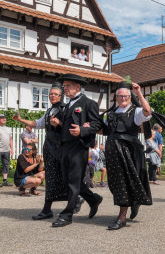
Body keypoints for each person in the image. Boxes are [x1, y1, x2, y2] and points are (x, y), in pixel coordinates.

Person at [15, 82, 85, 220]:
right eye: (51, 94)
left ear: (61, 96)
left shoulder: (66, 109)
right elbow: (37, 123)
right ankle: (62, 204)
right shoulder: (49, 111)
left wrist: (58, 123)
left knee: (62, 176)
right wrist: (21, 119)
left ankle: (73, 199)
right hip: (49, 147)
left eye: (56, 94)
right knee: (53, 177)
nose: (53, 96)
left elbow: (72, 127)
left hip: (60, 148)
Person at [50, 74, 103, 228]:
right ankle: (93, 199)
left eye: (68, 85)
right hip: (65, 146)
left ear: (77, 87)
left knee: (73, 181)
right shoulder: (67, 105)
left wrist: (82, 130)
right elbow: (67, 127)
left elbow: (96, 125)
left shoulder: (88, 103)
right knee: (69, 180)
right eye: (64, 85)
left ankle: (67, 214)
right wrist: (58, 123)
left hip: (79, 147)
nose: (64, 88)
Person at [101, 81, 152, 230]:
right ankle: (133, 203)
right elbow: (104, 131)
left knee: (126, 183)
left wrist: (139, 94)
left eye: (126, 96)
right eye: (120, 96)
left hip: (130, 153)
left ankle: (122, 217)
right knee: (117, 184)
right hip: (113, 154)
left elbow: (148, 112)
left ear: (130, 97)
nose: (123, 99)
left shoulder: (135, 112)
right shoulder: (110, 114)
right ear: (116, 97)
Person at [0, 113, 13, 187]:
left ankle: (5, 181)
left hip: (7, 150)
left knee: (6, 165)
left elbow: (10, 139)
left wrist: (12, 149)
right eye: (2, 118)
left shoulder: (8, 129)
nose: (4, 119)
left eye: (4, 118)